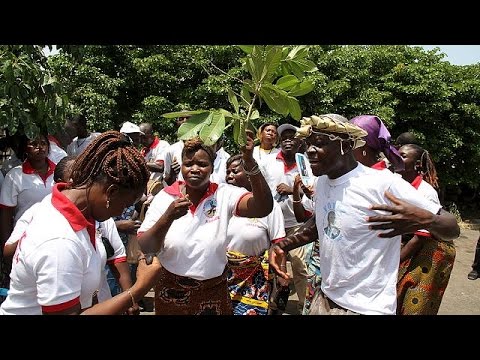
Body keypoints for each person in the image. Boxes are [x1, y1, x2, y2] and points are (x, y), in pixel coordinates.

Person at [269, 114, 460, 315]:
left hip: (367, 308)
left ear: (346, 145)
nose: (309, 151)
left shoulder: (382, 183)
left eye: (319, 143)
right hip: (325, 298)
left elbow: (452, 228)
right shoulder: (323, 181)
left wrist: (427, 219)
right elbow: (320, 223)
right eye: (307, 144)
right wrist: (282, 245)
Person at [0, 131, 162, 315]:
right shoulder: (59, 242)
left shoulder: (69, 207)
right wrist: (139, 288)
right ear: (110, 192)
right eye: (125, 204)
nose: (120, 212)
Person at [137, 131, 273, 315]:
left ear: (212, 167)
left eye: (202, 164)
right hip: (172, 291)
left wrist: (250, 162)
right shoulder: (165, 197)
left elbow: (263, 207)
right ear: (181, 166)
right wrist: (168, 217)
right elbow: (146, 246)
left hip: (213, 290)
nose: (194, 169)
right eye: (188, 164)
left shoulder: (224, 193)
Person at [395, 143, 456, 314]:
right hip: (408, 245)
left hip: (429, 252)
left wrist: (393, 263)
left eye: (403, 156)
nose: (397, 159)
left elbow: (420, 237)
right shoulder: (394, 183)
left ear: (417, 165)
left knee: (414, 303)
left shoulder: (426, 192)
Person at [224, 154, 286, 315]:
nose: (229, 175)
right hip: (222, 276)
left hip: (254, 278)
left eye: (235, 171)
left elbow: (278, 242)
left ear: (250, 174)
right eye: (227, 171)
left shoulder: (269, 207)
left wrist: (282, 274)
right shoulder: (220, 203)